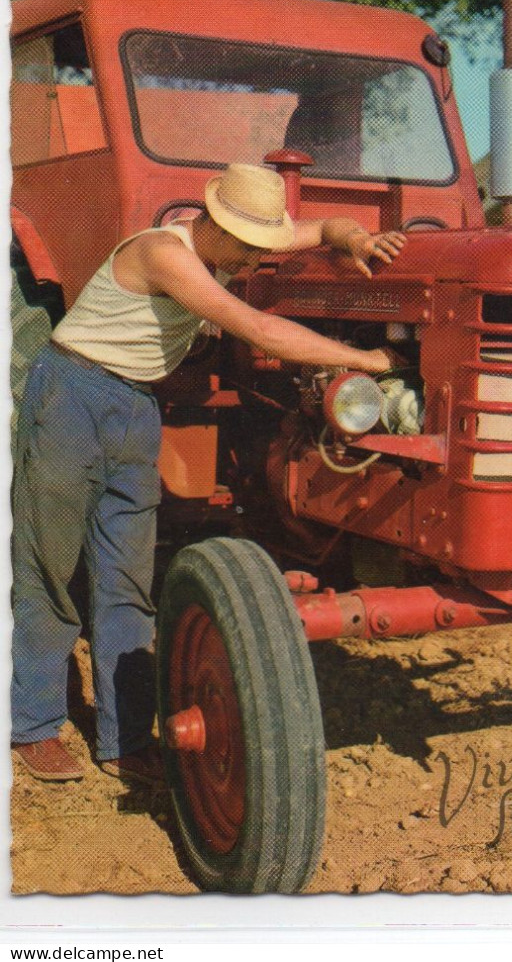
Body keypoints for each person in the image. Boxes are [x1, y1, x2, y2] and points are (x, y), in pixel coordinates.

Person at [11, 163, 405, 784]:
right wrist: (366, 359)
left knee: (128, 579)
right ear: (215, 225)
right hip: (72, 394)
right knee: (51, 565)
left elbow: (324, 225)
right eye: (250, 249)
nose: (255, 262)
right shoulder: (162, 253)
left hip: (136, 406)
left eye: (263, 247)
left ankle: (125, 740)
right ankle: (31, 726)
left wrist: (352, 238)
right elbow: (255, 326)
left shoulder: (232, 244)